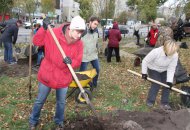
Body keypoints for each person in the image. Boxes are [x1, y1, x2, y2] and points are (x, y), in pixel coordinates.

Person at [29, 15, 86, 130]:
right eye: (78, 32)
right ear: (71, 28)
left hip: (63, 76)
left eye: (81, 33)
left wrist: (71, 62)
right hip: (48, 73)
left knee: (61, 103)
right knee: (40, 100)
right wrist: (43, 29)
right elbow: (36, 41)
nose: (79, 36)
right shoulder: (53, 33)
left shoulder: (79, 44)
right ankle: (33, 120)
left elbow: (78, 61)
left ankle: (59, 121)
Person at [141, 40, 179, 110]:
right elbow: (145, 61)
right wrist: (144, 73)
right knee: (156, 83)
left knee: (167, 85)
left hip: (165, 70)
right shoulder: (156, 52)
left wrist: (169, 81)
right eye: (168, 53)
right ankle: (150, 101)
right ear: (165, 49)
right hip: (153, 68)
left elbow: (171, 68)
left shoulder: (175, 54)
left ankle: (164, 103)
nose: (170, 55)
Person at [79, 16, 100, 88]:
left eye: (97, 24)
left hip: (93, 55)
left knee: (97, 69)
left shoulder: (96, 31)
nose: (95, 26)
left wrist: (97, 50)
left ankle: (94, 84)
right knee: (82, 73)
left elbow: (96, 42)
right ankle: (81, 86)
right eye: (94, 24)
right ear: (90, 22)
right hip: (84, 56)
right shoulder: (83, 30)